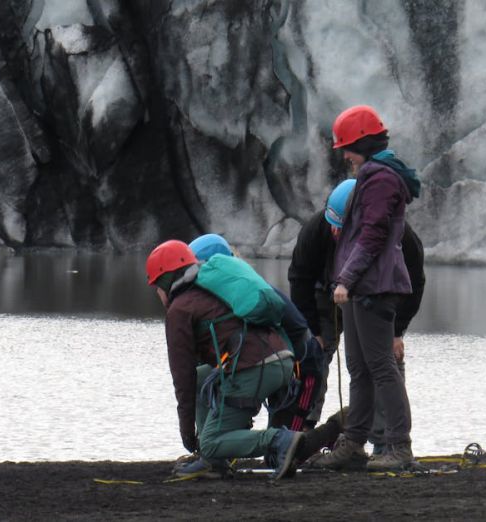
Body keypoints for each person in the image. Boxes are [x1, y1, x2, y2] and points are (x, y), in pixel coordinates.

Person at [306, 105, 422, 472]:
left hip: (374, 286)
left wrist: (346, 279)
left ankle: (398, 447)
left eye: (348, 148)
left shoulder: (382, 179)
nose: (344, 156)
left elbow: (372, 235)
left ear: (364, 144)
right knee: (360, 367)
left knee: (381, 367)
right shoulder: (373, 175)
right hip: (362, 287)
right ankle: (354, 443)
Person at [147, 239, 305, 480]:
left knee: (211, 442)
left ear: (166, 281)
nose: (158, 293)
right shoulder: (212, 289)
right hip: (281, 361)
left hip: (254, 368)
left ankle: (278, 440)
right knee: (203, 377)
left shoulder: (179, 310)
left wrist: (187, 433)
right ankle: (212, 461)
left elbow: (182, 378)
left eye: (156, 286)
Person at [289, 179, 425, 454]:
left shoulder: (401, 237)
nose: (335, 233)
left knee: (384, 362)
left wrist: (398, 332)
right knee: (313, 357)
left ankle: (386, 443)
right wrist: (313, 330)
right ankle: (300, 433)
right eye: (334, 227)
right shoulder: (318, 229)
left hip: (374, 294)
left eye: (342, 228)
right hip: (325, 294)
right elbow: (299, 279)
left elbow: (415, 284)